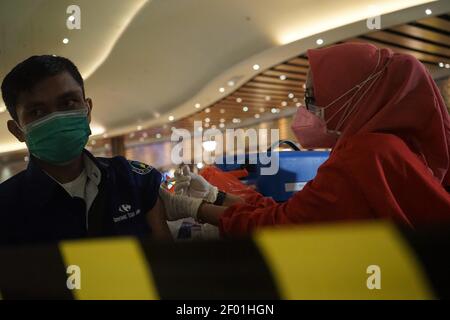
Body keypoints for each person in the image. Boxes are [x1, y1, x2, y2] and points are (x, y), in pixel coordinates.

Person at [160, 42, 450, 237]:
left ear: (349, 93)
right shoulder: (393, 146)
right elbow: (299, 211)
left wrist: (195, 209)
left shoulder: (361, 154)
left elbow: (285, 228)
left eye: (313, 96)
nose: (308, 107)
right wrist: (217, 196)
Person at [0, 55, 172, 244]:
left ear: (87, 109)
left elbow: (167, 266)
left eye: (67, 103)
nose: (57, 119)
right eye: (37, 112)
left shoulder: (135, 180)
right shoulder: (6, 206)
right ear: (17, 131)